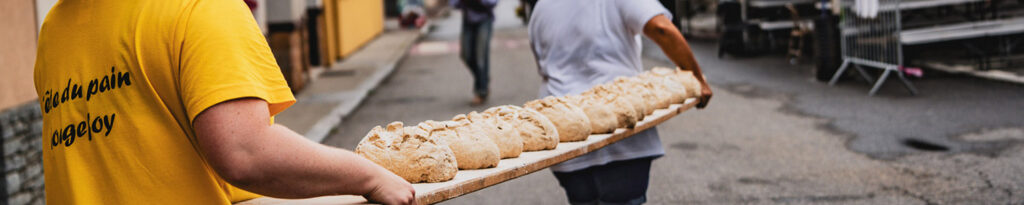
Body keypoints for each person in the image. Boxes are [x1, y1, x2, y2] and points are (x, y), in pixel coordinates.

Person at [33, 0, 414, 204]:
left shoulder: (55, 25)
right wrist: (369, 175)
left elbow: (131, 154)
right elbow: (247, 153)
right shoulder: (200, 6)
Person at [528, 0, 713, 204]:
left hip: (565, 138)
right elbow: (661, 28)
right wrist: (698, 78)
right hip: (621, 136)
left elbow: (542, 63)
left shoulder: (542, 6)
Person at [452, 0, 499, 105]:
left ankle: (481, 91)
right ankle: (483, 78)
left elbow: (493, 2)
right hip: (468, 19)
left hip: (484, 19)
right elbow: (454, 4)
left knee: (480, 57)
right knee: (466, 55)